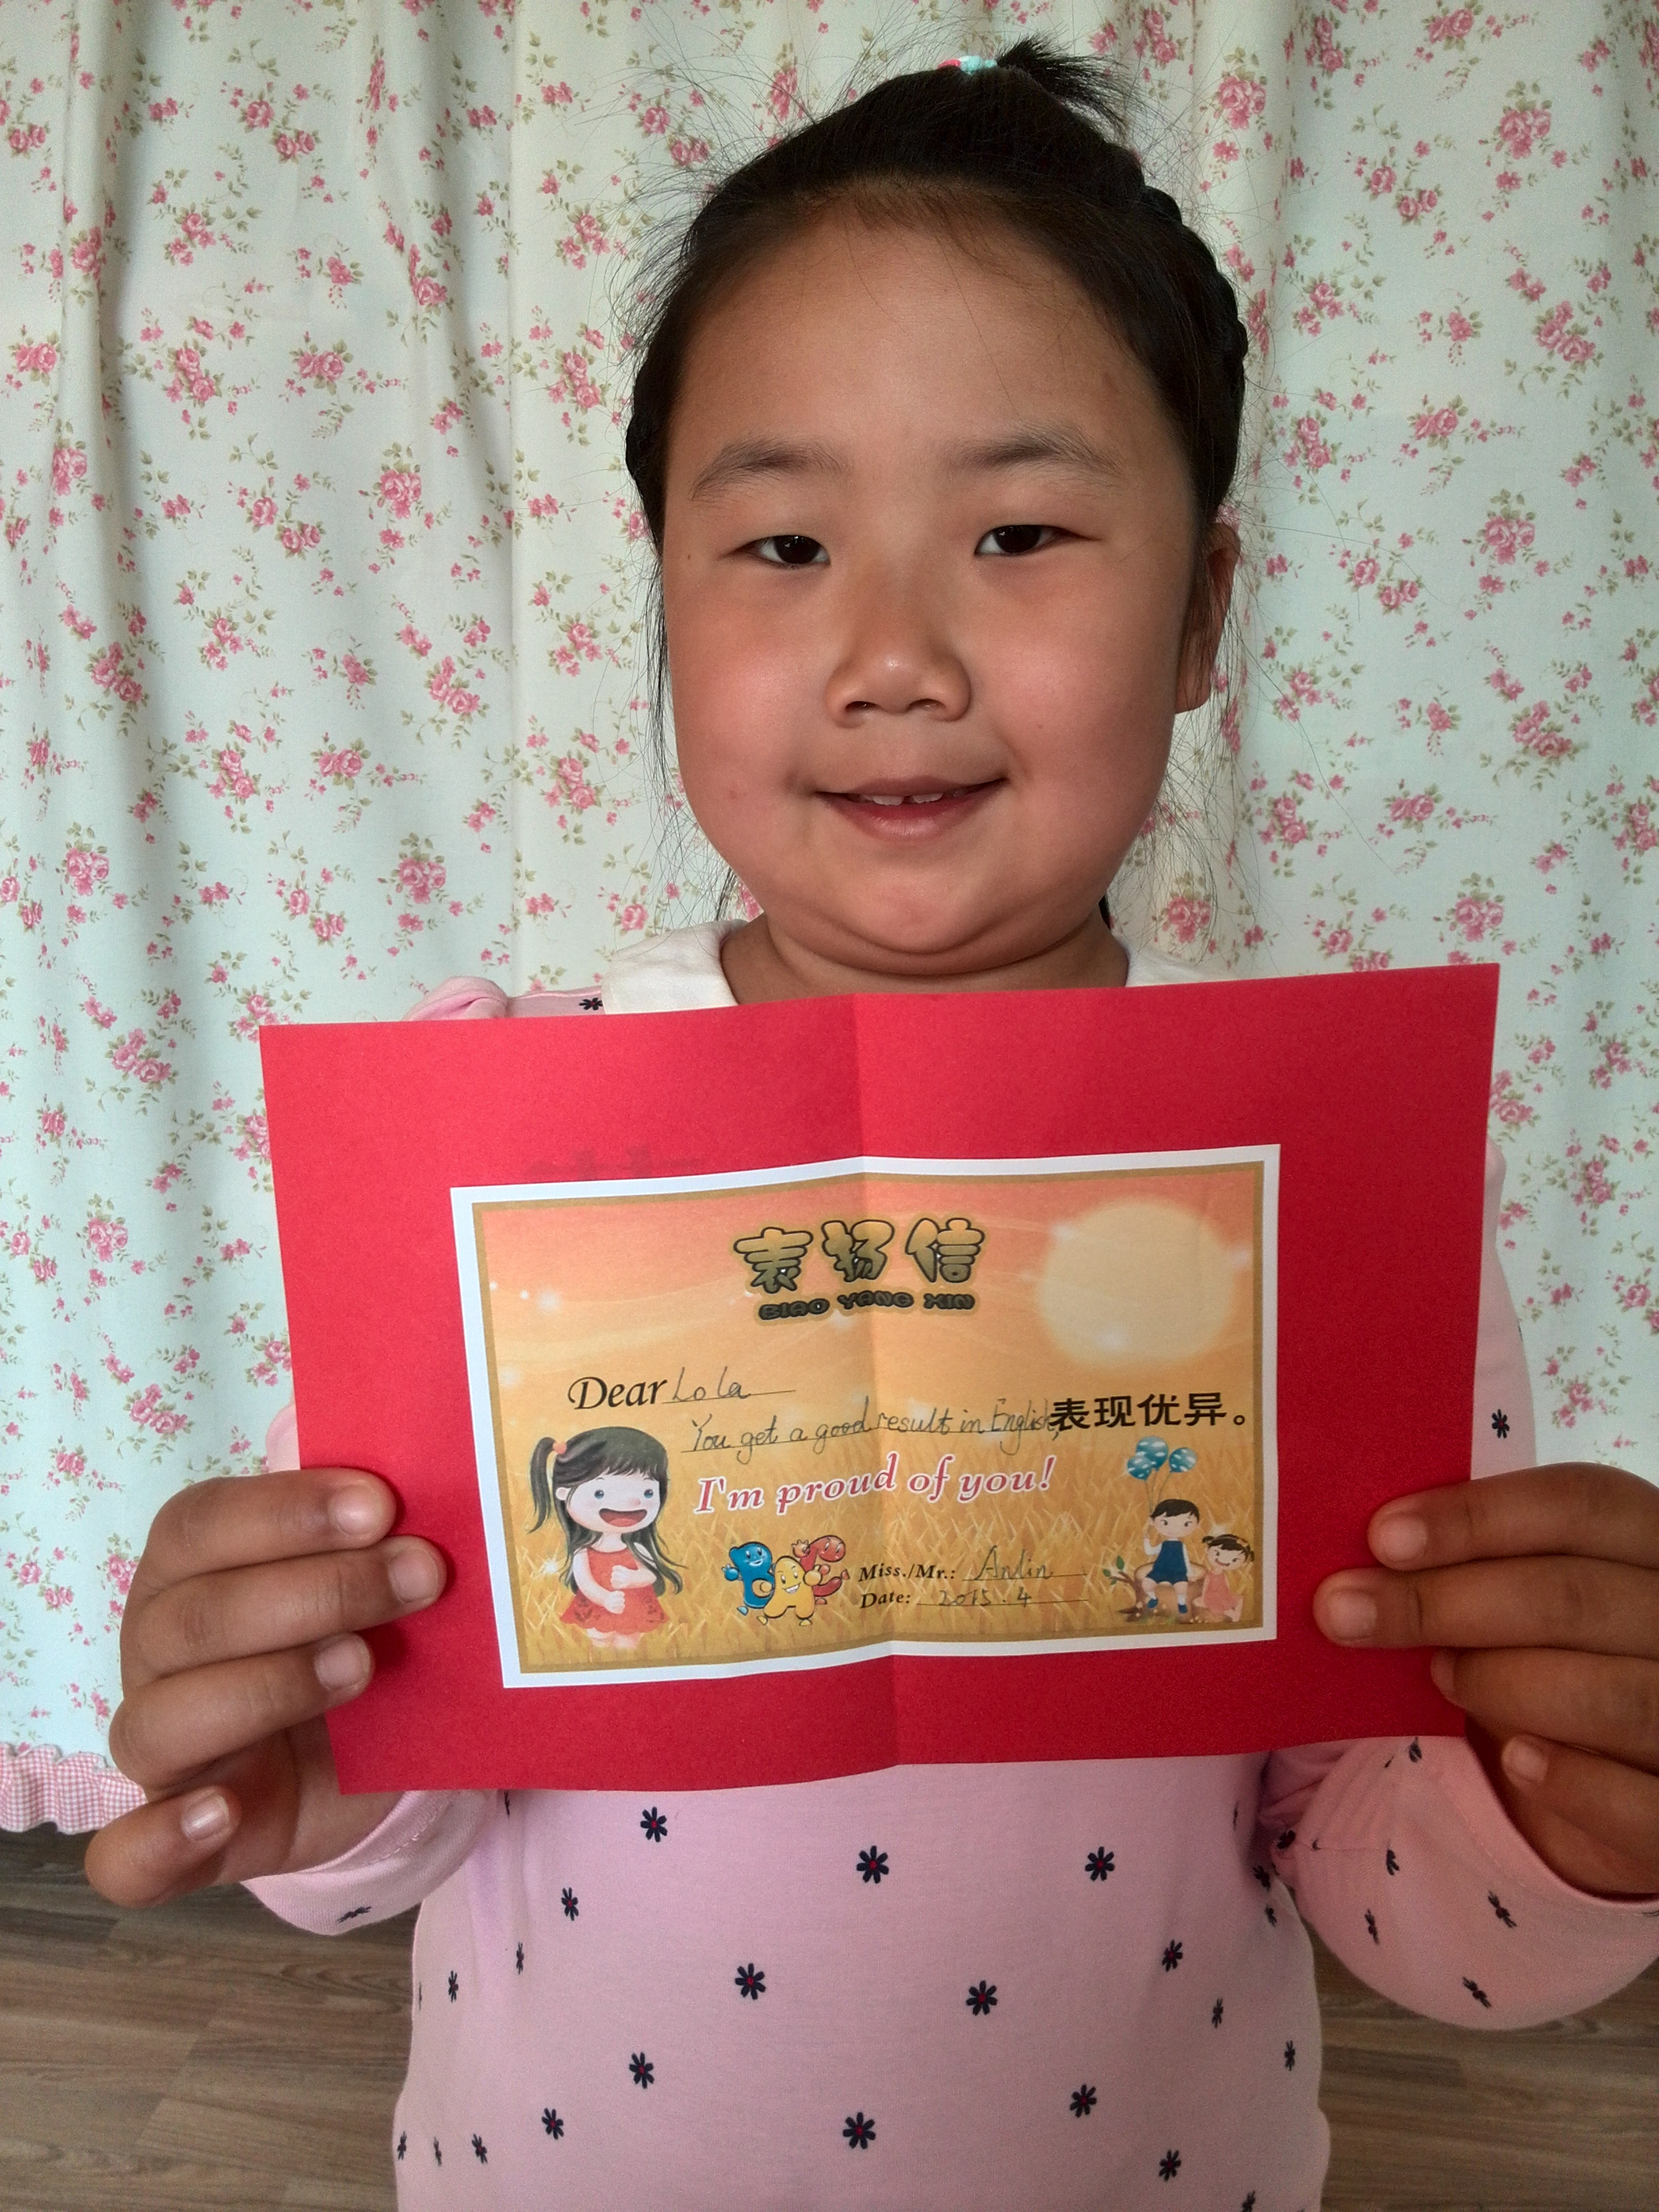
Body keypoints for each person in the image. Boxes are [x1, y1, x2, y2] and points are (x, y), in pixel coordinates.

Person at [85, 43, 1659, 2210]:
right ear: (663, 592)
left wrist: (1572, 1829)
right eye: (783, 542)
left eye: (1019, 533)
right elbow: (397, 1795)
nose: (894, 653)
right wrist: (314, 1769)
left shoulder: (1318, 1183)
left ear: (1202, 613)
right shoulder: (505, 1137)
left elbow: (1372, 1860)